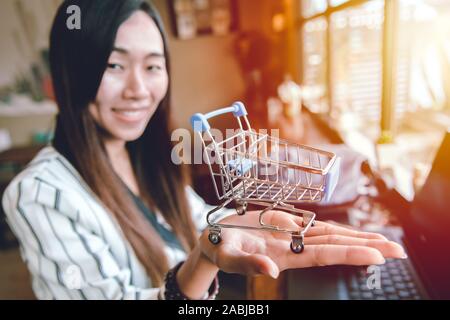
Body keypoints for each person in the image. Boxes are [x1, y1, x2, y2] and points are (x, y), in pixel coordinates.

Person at [1, 0, 406, 300]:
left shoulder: (145, 154)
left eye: (153, 66)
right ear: (69, 74)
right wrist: (201, 262)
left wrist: (246, 222)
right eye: (114, 65)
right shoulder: (39, 193)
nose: (139, 90)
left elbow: (199, 219)